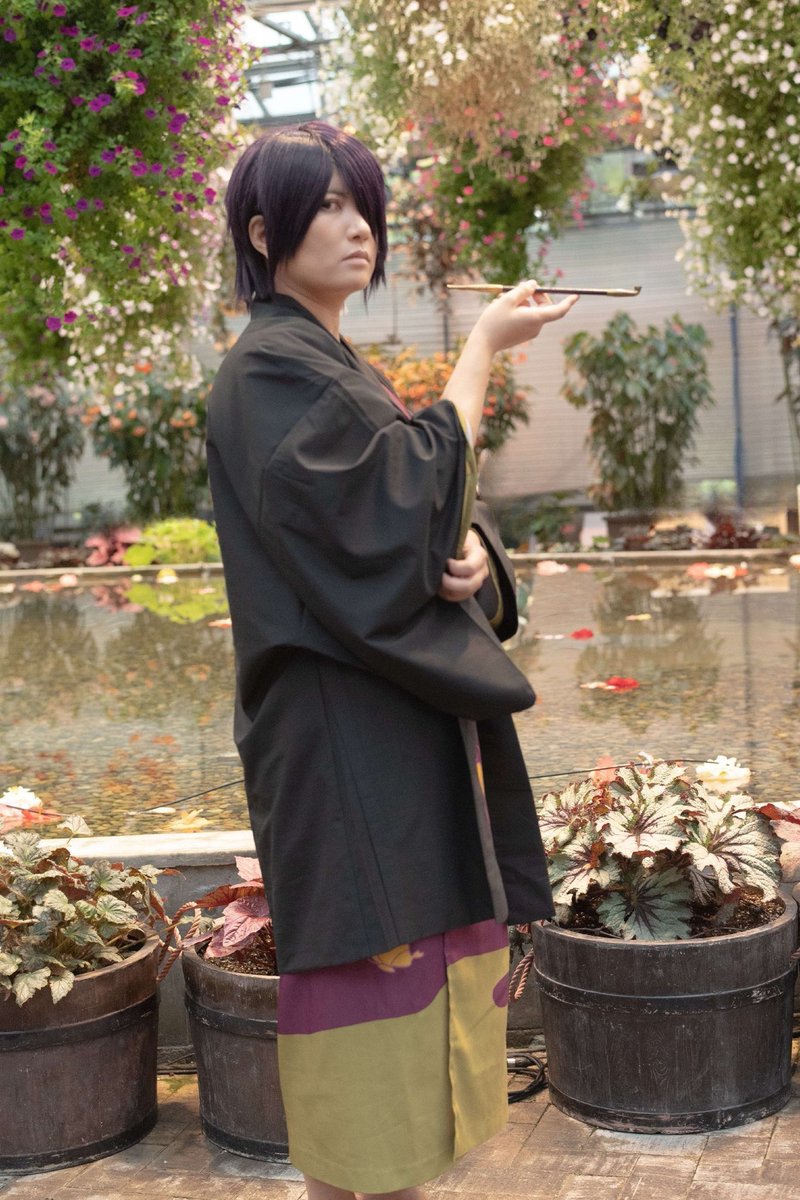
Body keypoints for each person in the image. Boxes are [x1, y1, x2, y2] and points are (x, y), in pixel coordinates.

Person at [206, 120, 578, 1200]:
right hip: (340, 743)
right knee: (364, 1053)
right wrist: (480, 352)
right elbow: (397, 500)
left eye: (361, 203)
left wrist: (467, 562)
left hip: (387, 736)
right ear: (264, 233)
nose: (355, 225)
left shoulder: (319, 361)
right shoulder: (267, 369)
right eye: (324, 205)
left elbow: (407, 519)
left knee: (412, 1039)